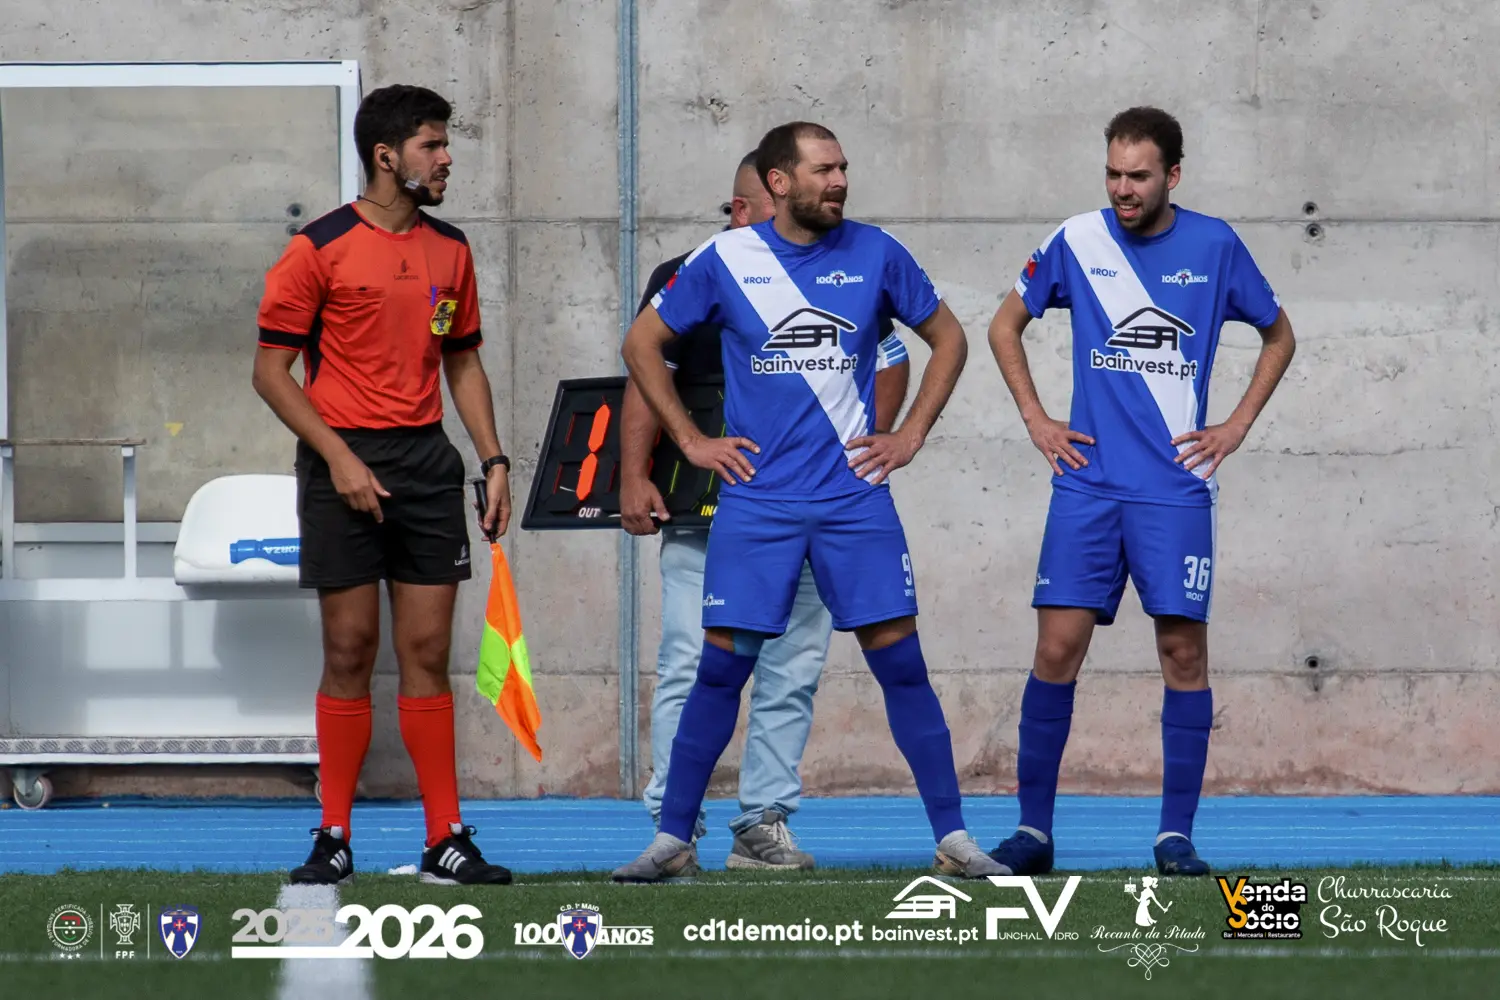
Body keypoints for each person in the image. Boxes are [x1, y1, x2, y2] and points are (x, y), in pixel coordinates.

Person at [613, 121, 1004, 882]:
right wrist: (692, 441)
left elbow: (950, 340)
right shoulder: (725, 258)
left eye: (843, 168)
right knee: (718, 673)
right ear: (779, 181)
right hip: (757, 504)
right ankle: (673, 840)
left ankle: (954, 839)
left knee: (903, 667)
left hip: (854, 502)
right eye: (824, 169)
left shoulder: (877, 251)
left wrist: (909, 435)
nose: (840, 181)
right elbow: (640, 345)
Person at [985, 106, 1297, 877]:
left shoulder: (1215, 246)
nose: (1123, 189)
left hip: (1173, 493)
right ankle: (1032, 833)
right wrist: (1037, 419)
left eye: (1139, 176)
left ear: (1173, 176)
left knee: (1182, 653)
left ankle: (1174, 838)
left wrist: (1235, 427)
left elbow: (1280, 335)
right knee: (1056, 649)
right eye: (1113, 175)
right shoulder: (1077, 240)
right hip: (1087, 487)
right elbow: (1003, 326)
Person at [252, 84, 515, 886]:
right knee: (350, 648)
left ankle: (446, 839)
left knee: (428, 652)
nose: (447, 159)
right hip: (342, 464)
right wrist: (339, 458)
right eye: (433, 145)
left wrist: (494, 460)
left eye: (445, 143)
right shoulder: (318, 247)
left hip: (427, 465)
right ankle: (333, 835)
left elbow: (462, 361)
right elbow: (271, 373)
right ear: (386, 156)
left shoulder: (452, 249)